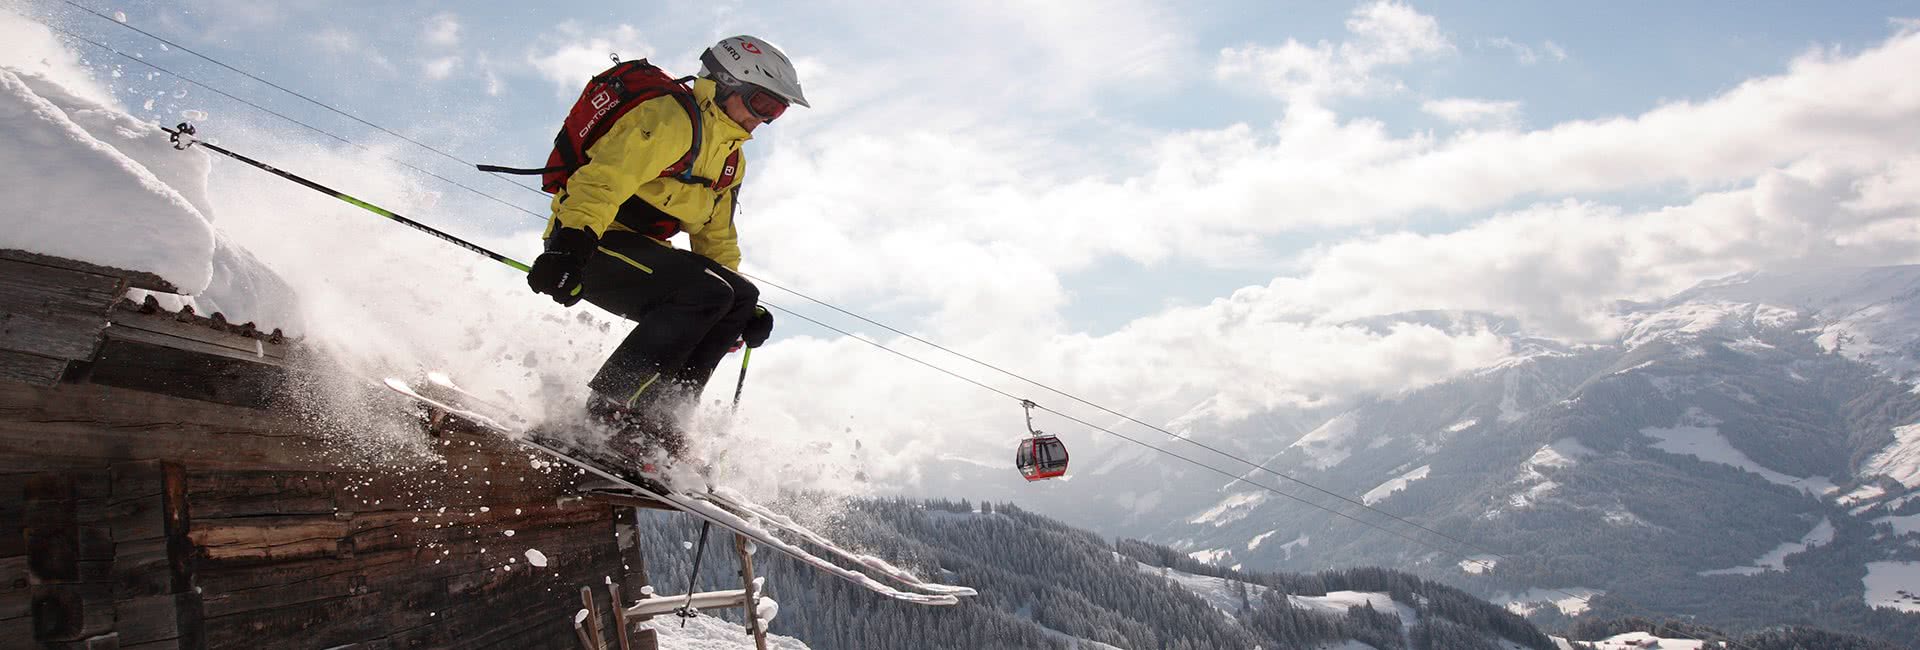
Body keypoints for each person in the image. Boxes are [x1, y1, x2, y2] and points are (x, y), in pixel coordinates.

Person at [524, 35, 807, 471]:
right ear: (728, 85)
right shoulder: (670, 119)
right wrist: (567, 250)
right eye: (764, 105)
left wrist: (741, 308)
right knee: (705, 294)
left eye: (777, 112)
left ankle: (660, 421)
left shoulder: (730, 159)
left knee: (734, 297)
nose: (764, 120)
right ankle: (608, 415)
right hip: (588, 245)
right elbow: (602, 182)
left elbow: (717, 238)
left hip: (644, 255)